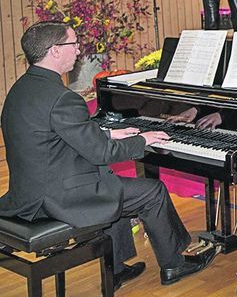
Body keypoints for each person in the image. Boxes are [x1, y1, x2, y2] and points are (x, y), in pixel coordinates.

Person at [0, 21, 216, 287]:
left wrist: (111, 133)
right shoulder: (62, 98)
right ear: (55, 50)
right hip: (59, 198)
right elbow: (101, 153)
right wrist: (141, 139)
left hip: (29, 192)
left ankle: (115, 270)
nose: (78, 51)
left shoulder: (22, 89)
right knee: (152, 191)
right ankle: (174, 265)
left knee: (111, 184)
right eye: (74, 44)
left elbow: (57, 134)